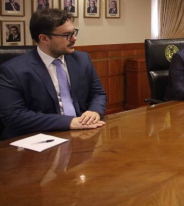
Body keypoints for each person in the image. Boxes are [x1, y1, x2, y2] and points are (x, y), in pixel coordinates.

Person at [0, 9, 107, 140]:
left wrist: (94, 111)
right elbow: (14, 116)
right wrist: (69, 122)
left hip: (81, 135)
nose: (74, 38)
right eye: (67, 35)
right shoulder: (12, 70)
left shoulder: (82, 59)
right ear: (44, 38)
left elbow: (98, 93)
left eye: (73, 32)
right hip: (33, 140)